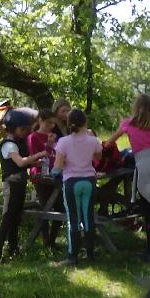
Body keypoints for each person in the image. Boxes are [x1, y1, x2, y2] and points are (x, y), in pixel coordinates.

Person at [104, 94, 150, 262]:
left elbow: (109, 143)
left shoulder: (128, 124)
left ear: (136, 107)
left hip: (144, 165)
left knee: (148, 208)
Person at [0, 110, 47, 265]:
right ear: (13, 128)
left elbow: (24, 162)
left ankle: (13, 248)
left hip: (20, 184)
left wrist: (34, 163)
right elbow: (20, 162)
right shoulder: (9, 144)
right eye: (22, 129)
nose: (24, 132)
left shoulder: (16, 143)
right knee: (8, 218)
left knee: (16, 218)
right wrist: (38, 155)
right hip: (11, 185)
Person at [52, 109, 102, 266]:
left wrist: (54, 172)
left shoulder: (63, 142)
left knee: (73, 219)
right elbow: (98, 156)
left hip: (71, 182)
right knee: (88, 218)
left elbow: (58, 166)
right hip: (89, 180)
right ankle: (90, 254)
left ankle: (72, 256)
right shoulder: (93, 140)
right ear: (85, 122)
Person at [27, 109, 62, 250]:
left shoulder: (54, 136)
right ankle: (46, 242)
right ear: (41, 120)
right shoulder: (33, 137)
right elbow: (35, 158)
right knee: (45, 207)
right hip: (40, 177)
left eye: (53, 124)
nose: (51, 126)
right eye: (48, 123)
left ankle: (52, 242)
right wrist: (48, 145)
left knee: (60, 207)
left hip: (55, 176)